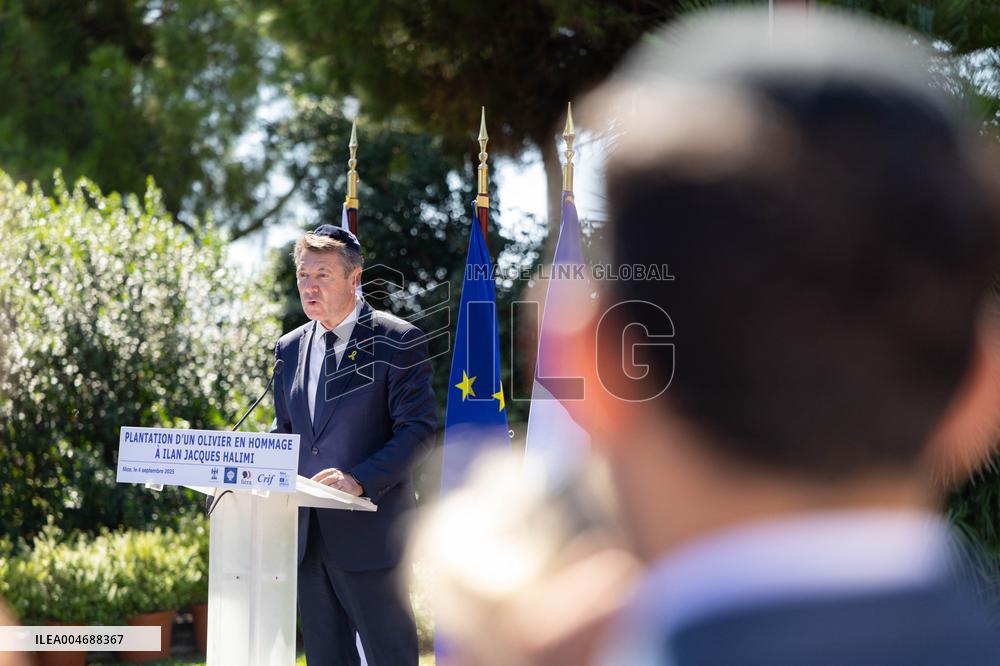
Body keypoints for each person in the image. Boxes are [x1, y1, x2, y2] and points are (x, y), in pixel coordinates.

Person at [271, 224, 435, 666]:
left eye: (322, 275)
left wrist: (359, 480)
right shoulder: (288, 349)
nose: (310, 286)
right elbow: (286, 431)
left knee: (389, 657)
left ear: (354, 278)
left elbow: (418, 430)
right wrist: (248, 464)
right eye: (303, 275)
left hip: (372, 535)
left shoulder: (397, 340)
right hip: (309, 540)